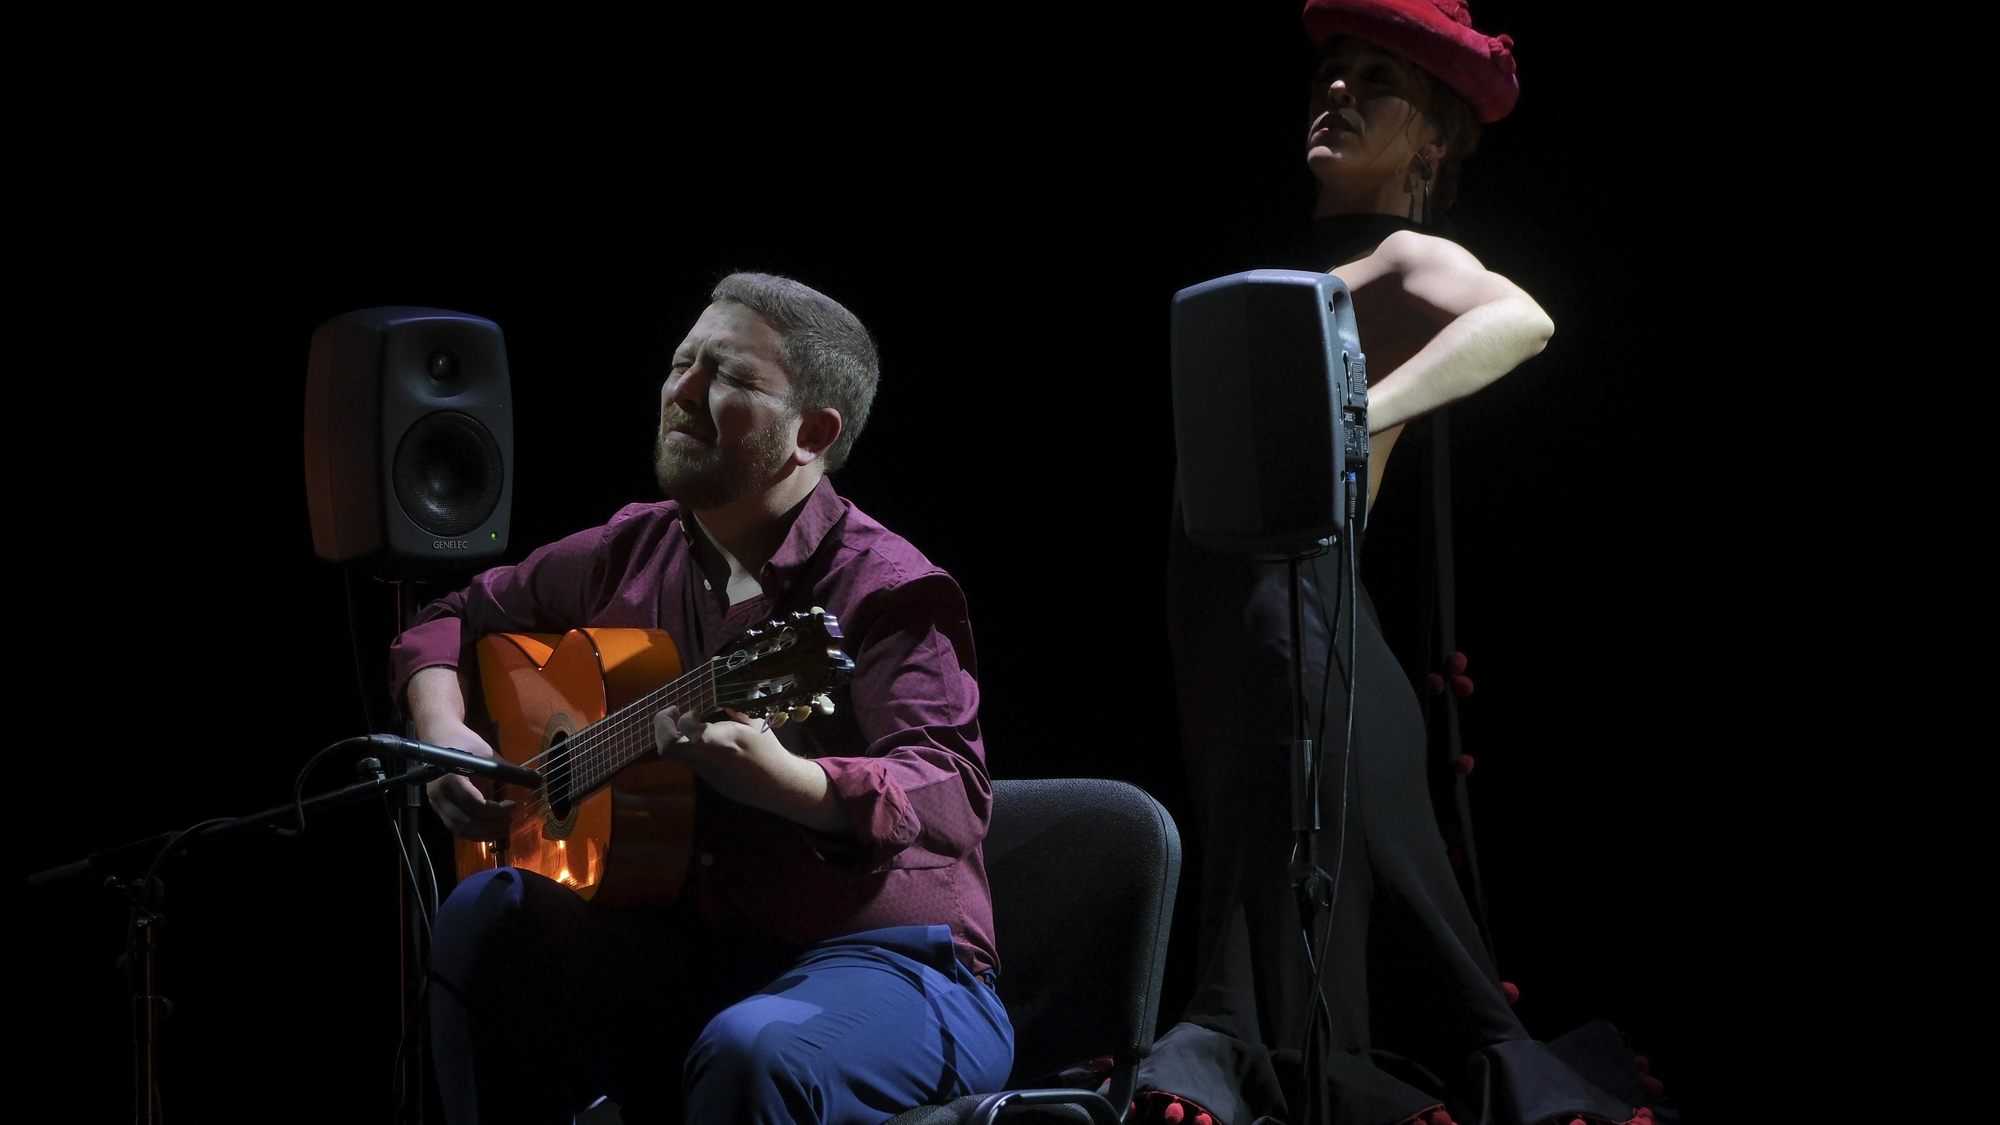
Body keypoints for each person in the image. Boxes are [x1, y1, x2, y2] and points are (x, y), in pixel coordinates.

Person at [1137, 3, 1654, 1124]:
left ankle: (1256, 1054)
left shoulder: (1403, 254)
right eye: (1332, 71)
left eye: (1376, 81)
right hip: (1233, 620)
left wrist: (1354, 412)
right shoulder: (1286, 269)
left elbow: (1520, 320)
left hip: (1301, 615)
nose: (1336, 91)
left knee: (1315, 881)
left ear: (1429, 142)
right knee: (1279, 862)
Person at [390, 273, 1014, 1124]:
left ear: (812, 433)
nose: (682, 390)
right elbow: (452, 617)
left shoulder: (889, 588)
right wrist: (445, 731)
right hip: (694, 960)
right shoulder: (629, 548)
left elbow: (952, 793)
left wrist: (794, 783)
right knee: (486, 916)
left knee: (751, 1050)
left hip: (891, 969)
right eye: (682, 362)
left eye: (728, 376)